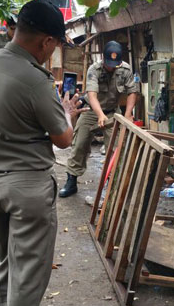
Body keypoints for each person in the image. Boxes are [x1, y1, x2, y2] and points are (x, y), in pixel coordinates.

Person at [0, 0, 88, 306]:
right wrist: (67, 114)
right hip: (26, 189)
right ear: (47, 41)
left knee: (4, 262)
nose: (53, 53)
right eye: (55, 45)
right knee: (26, 280)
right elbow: (63, 139)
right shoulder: (36, 80)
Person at [59, 41, 138, 198]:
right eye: (109, 64)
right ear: (103, 58)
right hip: (91, 111)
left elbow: (132, 91)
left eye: (115, 64)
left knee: (116, 148)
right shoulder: (94, 69)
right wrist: (100, 115)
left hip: (113, 112)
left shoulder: (125, 69)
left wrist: (128, 113)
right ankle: (71, 180)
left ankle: (112, 184)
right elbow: (92, 95)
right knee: (80, 142)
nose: (111, 67)